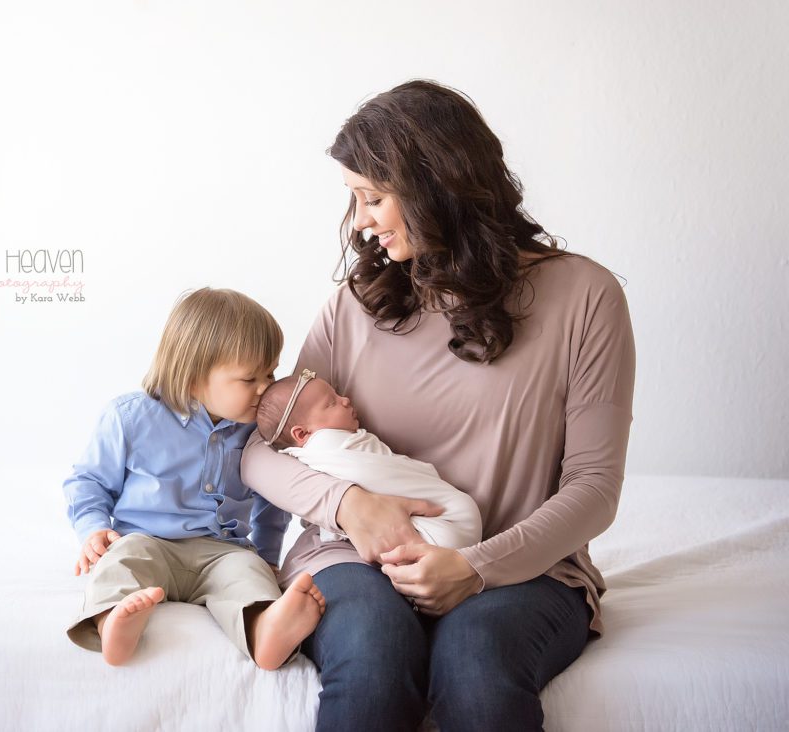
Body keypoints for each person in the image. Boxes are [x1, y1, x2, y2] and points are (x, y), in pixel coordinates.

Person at [241, 80, 635, 731]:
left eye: (373, 197)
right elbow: (257, 448)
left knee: (477, 669)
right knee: (371, 662)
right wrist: (348, 506)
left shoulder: (585, 298)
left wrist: (476, 568)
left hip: (523, 569)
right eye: (354, 200)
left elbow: (595, 486)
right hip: (351, 559)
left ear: (437, 186)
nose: (360, 221)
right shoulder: (357, 305)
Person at [63, 287, 326, 669]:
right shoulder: (130, 418)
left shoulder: (258, 434)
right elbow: (88, 481)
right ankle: (112, 623)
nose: (265, 388)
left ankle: (264, 630)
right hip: (149, 541)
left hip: (222, 551)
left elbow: (273, 503)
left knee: (248, 574)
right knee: (123, 561)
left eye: (270, 372)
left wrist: (268, 557)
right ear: (193, 377)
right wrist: (92, 528)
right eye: (249, 378)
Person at [255, 369, 482, 549]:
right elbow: (367, 473)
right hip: (444, 525)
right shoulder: (325, 446)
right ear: (302, 434)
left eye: (337, 395)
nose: (345, 400)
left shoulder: (341, 446)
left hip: (443, 526)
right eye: (331, 403)